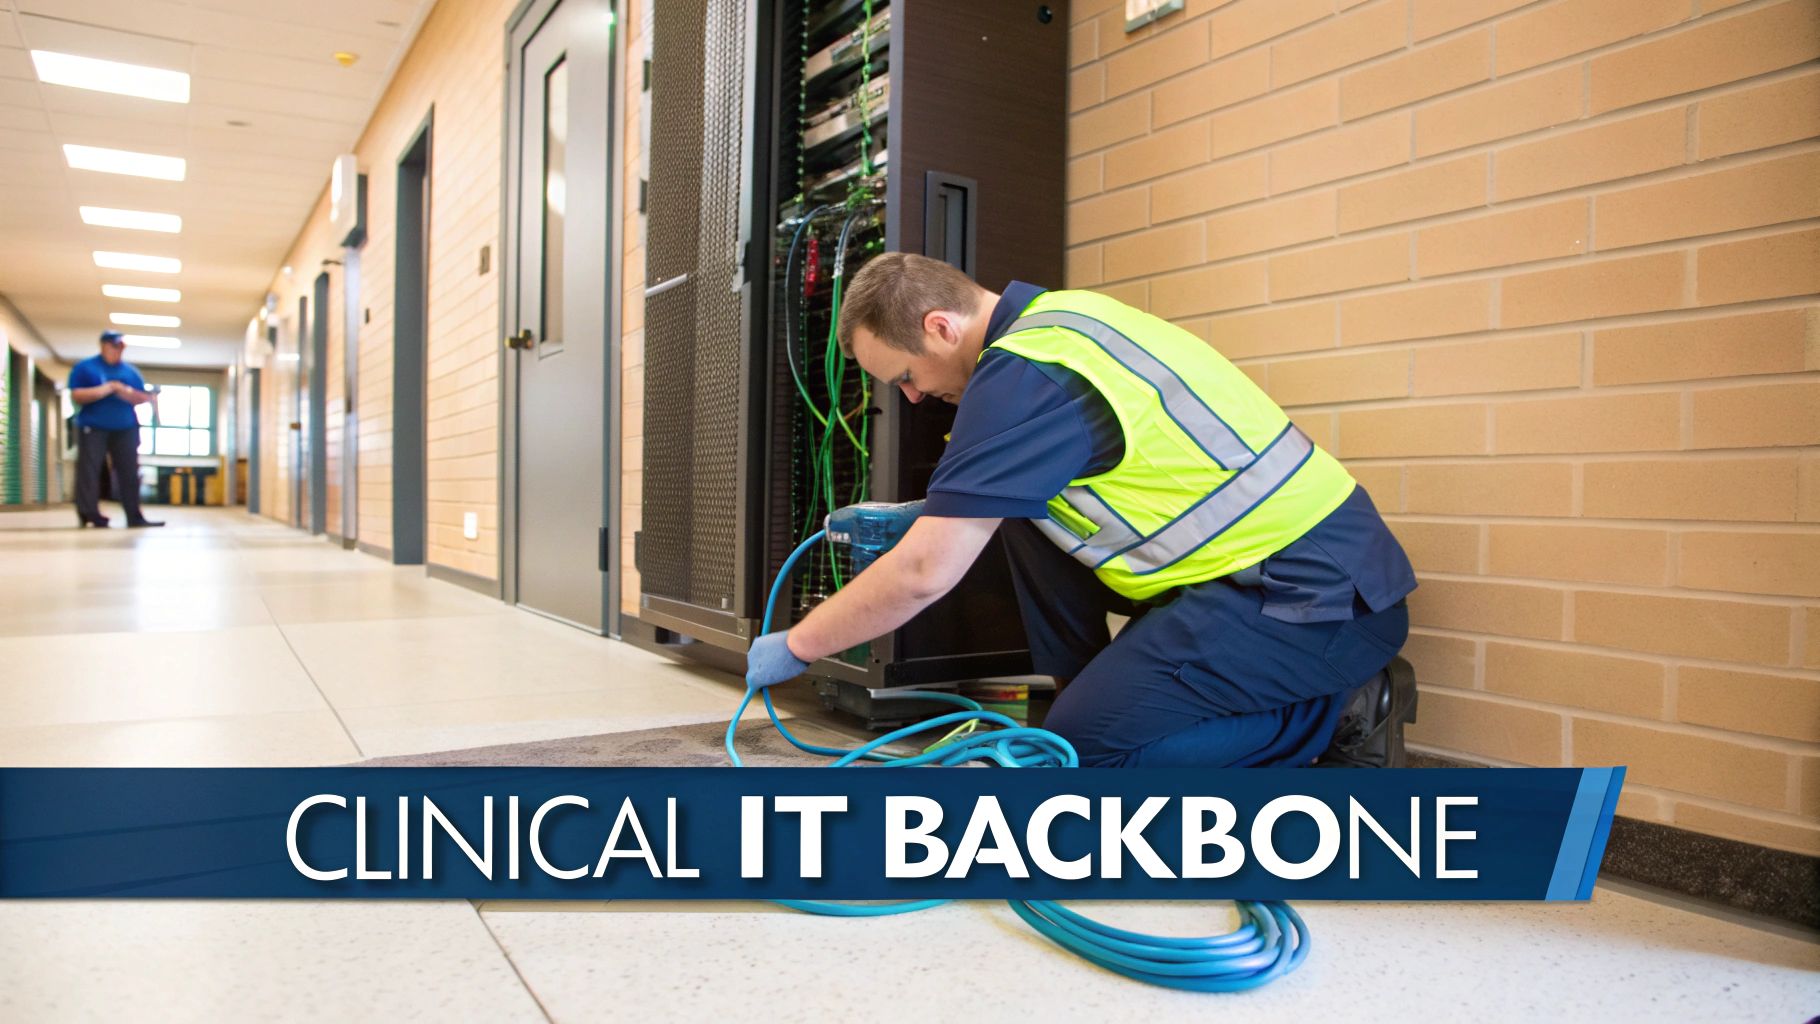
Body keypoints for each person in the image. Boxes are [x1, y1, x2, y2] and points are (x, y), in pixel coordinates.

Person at [744, 253, 1418, 769]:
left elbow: (924, 572)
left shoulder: (1027, 376)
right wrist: (935, 510)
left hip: (1315, 600)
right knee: (1020, 534)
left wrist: (799, 644)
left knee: (1083, 762)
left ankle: (1337, 718)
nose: (914, 398)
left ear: (939, 327)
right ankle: (1090, 704)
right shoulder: (1062, 324)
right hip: (1249, 585)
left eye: (906, 378)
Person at [68, 330, 163, 529]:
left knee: (129, 471)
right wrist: (106, 388)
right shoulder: (86, 368)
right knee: (90, 472)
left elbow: (142, 398)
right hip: (93, 427)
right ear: (103, 345)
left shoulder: (130, 372)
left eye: (121, 347)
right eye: (114, 346)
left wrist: (123, 390)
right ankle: (89, 514)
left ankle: (134, 516)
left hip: (125, 427)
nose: (117, 351)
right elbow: (77, 395)